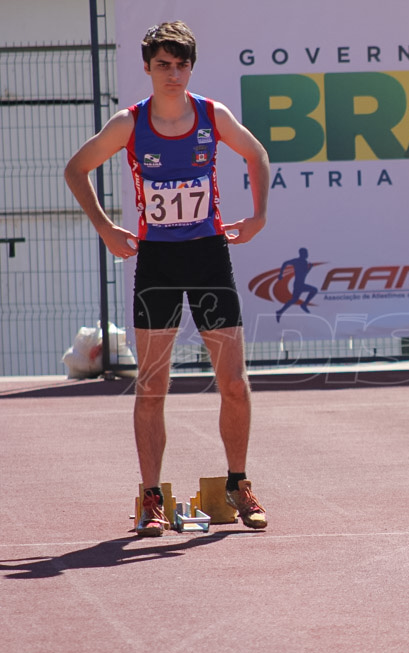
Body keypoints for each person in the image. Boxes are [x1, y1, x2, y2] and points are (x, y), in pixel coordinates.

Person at [64, 21, 271, 536]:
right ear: (148, 68)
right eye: (163, 65)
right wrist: (107, 227)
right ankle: (151, 496)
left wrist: (258, 215)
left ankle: (238, 482)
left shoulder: (211, 114)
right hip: (156, 260)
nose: (173, 74)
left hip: (207, 256)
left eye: (181, 65)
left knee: (234, 384)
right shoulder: (129, 123)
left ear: (190, 68)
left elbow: (256, 154)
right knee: (153, 383)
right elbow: (75, 168)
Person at [276, 247, 318, 321]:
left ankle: (280, 311)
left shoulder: (305, 262)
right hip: (298, 284)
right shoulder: (296, 261)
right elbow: (285, 263)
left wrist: (309, 268)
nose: (307, 254)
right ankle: (304, 304)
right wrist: (280, 274)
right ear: (302, 254)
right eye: (306, 253)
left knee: (294, 299)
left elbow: (304, 274)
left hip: (301, 284)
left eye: (307, 253)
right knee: (314, 290)